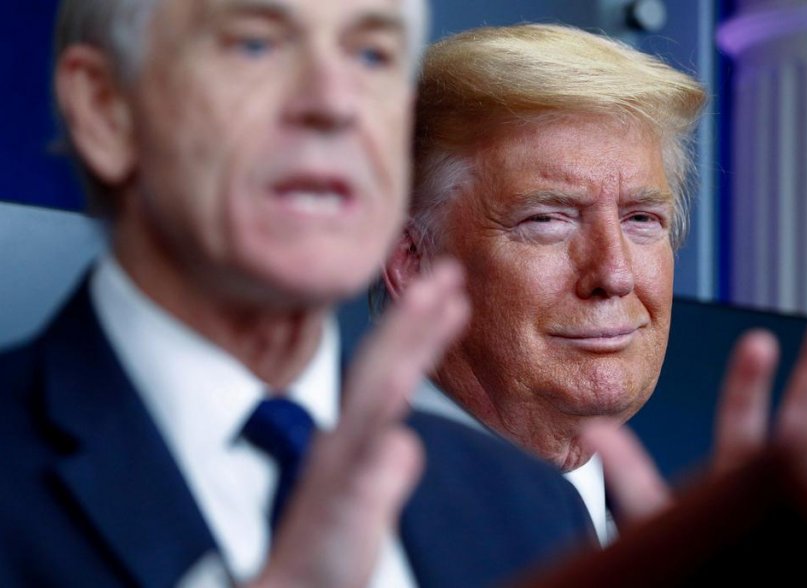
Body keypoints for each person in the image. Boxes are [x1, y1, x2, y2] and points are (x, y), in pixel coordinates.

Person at [0, 2, 592, 587]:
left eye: (371, 54)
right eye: (255, 44)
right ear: (107, 109)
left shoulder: (533, 515)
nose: (336, 103)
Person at [379, 22, 807, 542]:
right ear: (413, 261)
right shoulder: (319, 507)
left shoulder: (705, 529)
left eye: (641, 219)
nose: (614, 274)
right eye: (548, 219)